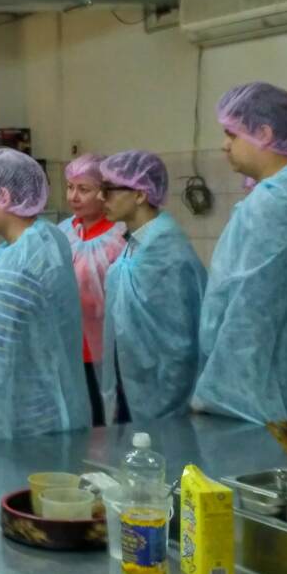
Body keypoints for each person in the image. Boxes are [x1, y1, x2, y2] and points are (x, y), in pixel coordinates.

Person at [195, 82, 287, 424]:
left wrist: (222, 393)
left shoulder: (275, 203)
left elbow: (249, 309)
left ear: (264, 134)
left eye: (231, 134)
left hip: (265, 393)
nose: (224, 145)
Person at [0, 148, 90, 444]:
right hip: (50, 407)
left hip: (24, 420)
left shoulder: (17, 265)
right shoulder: (46, 239)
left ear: (3, 196)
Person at [99, 151, 206, 423]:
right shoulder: (135, 246)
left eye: (109, 190)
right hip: (133, 384)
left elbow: (179, 343)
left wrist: (169, 396)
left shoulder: (166, 252)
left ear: (140, 194)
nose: (101, 197)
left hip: (161, 395)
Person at [58, 154, 126, 424]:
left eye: (84, 189)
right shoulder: (63, 233)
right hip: (71, 344)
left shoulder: (119, 236)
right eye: (70, 187)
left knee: (106, 419)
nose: (74, 196)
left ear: (103, 192)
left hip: (109, 347)